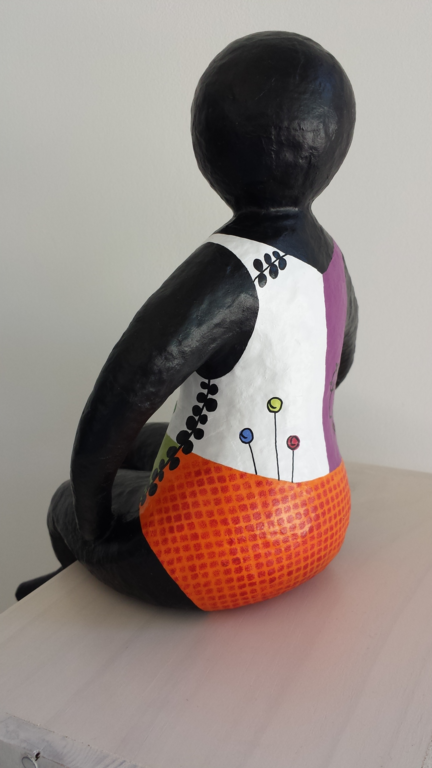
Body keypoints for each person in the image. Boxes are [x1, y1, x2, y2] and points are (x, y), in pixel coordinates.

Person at [17, 31, 358, 611]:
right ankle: (88, 573)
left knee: (64, 502)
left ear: (210, 144)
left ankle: (75, 589)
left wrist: (95, 522)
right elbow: (337, 368)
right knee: (141, 447)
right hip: (323, 517)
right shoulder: (331, 258)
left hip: (219, 553)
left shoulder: (227, 272)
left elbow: (123, 394)